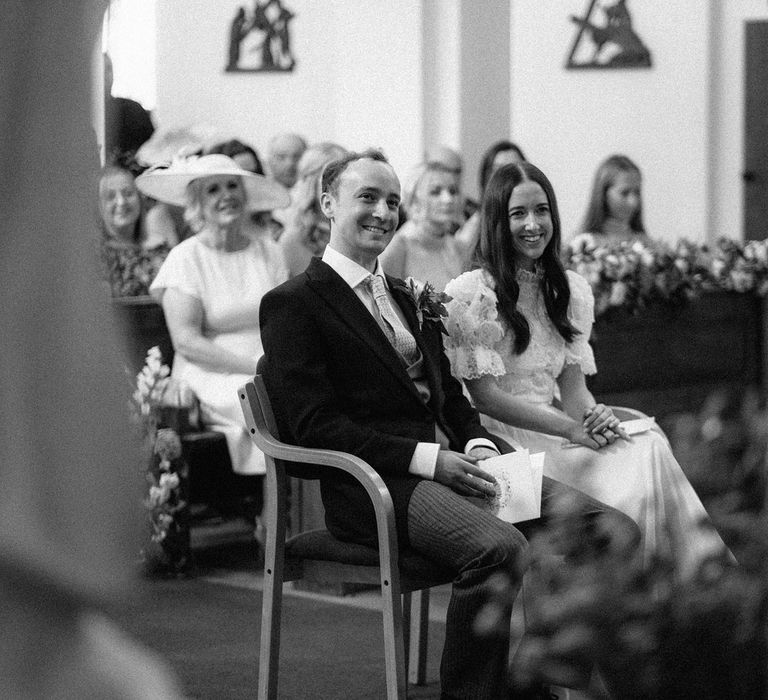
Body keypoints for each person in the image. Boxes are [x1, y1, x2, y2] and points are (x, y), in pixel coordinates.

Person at [259, 149, 637, 699]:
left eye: (392, 201)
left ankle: (539, 667)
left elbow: (453, 401)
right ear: (326, 203)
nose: (383, 213)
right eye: (367, 198)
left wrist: (479, 443)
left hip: (450, 468)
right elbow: (314, 425)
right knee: (500, 548)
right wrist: (431, 460)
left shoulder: (409, 298)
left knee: (613, 530)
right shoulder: (294, 304)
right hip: (375, 486)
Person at [443, 161, 729, 576]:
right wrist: (572, 429)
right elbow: (487, 397)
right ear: (496, 222)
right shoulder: (472, 293)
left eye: (541, 211)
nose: (533, 224)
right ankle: (652, 590)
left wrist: (594, 418)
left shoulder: (570, 290)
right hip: (500, 447)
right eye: (518, 213)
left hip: (556, 429)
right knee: (631, 469)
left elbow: (575, 394)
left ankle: (677, 589)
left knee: (646, 442)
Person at [137, 154, 290, 538]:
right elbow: (187, 342)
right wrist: (253, 365)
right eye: (214, 189)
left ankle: (310, 517)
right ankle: (275, 524)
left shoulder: (268, 250)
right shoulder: (185, 258)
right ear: (197, 203)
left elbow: (284, 319)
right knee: (266, 404)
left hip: (269, 361)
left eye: (233, 186)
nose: (226, 196)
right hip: (209, 371)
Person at [379, 161, 477, 291]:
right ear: (414, 201)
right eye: (435, 192)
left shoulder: (458, 248)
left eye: (453, 191)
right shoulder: (399, 247)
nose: (448, 199)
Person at [276, 140, 348, 275]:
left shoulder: (354, 230)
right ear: (311, 183)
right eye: (332, 177)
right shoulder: (294, 239)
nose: (341, 186)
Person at [579, 153, 646, 243]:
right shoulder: (584, 246)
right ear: (604, 194)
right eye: (624, 193)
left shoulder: (647, 246)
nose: (633, 202)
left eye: (637, 192)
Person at [103, 53, 155, 162]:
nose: (105, 75)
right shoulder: (75, 121)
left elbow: (154, 152)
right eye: (100, 69)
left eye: (108, 69)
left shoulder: (134, 111)